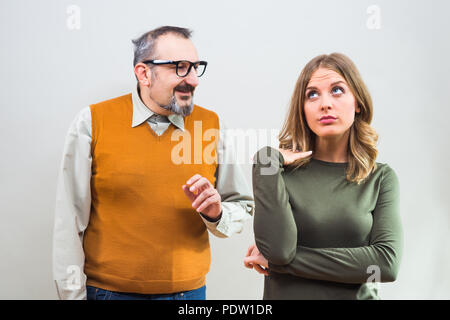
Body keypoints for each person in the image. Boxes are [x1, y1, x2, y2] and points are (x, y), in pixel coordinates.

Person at [53, 26, 254, 300]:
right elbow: (70, 220)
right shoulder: (92, 122)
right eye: (180, 68)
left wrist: (216, 214)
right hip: (108, 294)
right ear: (144, 73)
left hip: (188, 295)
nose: (193, 80)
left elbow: (241, 206)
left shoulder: (212, 126)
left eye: (196, 68)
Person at [244, 53, 403, 300]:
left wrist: (283, 264)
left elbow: (385, 264)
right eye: (312, 94)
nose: (325, 104)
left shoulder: (380, 177)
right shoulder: (277, 172)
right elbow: (279, 251)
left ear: (357, 102)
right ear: (303, 108)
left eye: (337, 90)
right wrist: (266, 159)